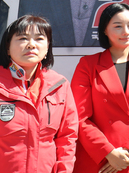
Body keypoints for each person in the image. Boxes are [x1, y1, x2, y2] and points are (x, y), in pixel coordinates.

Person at [71, 3, 129, 173]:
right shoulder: (87, 65)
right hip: (98, 161)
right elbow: (80, 117)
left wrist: (128, 151)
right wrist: (108, 152)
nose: (126, 32)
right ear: (105, 30)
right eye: (118, 26)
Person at [0, 15, 78, 173]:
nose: (31, 45)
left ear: (48, 46)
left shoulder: (59, 85)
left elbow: (67, 137)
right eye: (23, 38)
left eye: (39, 39)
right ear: (7, 47)